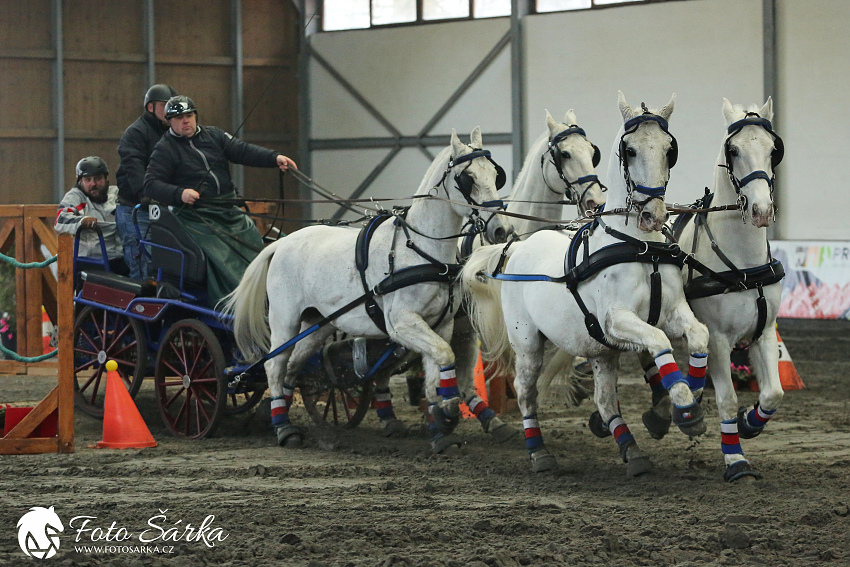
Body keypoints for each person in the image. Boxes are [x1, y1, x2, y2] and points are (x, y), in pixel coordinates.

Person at [144, 95, 296, 304]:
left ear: (195, 115)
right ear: (169, 122)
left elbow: (243, 151)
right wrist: (180, 193)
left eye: (189, 115)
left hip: (228, 210)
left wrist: (274, 158)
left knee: (253, 244)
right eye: (179, 118)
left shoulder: (214, 135)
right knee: (222, 257)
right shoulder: (165, 149)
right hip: (197, 217)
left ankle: (267, 297)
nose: (185, 121)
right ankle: (236, 303)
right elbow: (151, 183)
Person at [115, 83, 177, 280]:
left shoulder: (172, 134)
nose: (169, 111)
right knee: (144, 265)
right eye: (165, 105)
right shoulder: (135, 133)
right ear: (151, 107)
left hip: (164, 210)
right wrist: (147, 193)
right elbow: (133, 166)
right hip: (137, 210)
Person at [55, 156, 129, 275]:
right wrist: (83, 221)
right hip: (91, 262)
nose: (93, 184)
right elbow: (61, 220)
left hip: (122, 259)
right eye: (87, 179)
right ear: (80, 181)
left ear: (106, 178)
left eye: (98, 178)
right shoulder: (76, 197)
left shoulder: (115, 193)